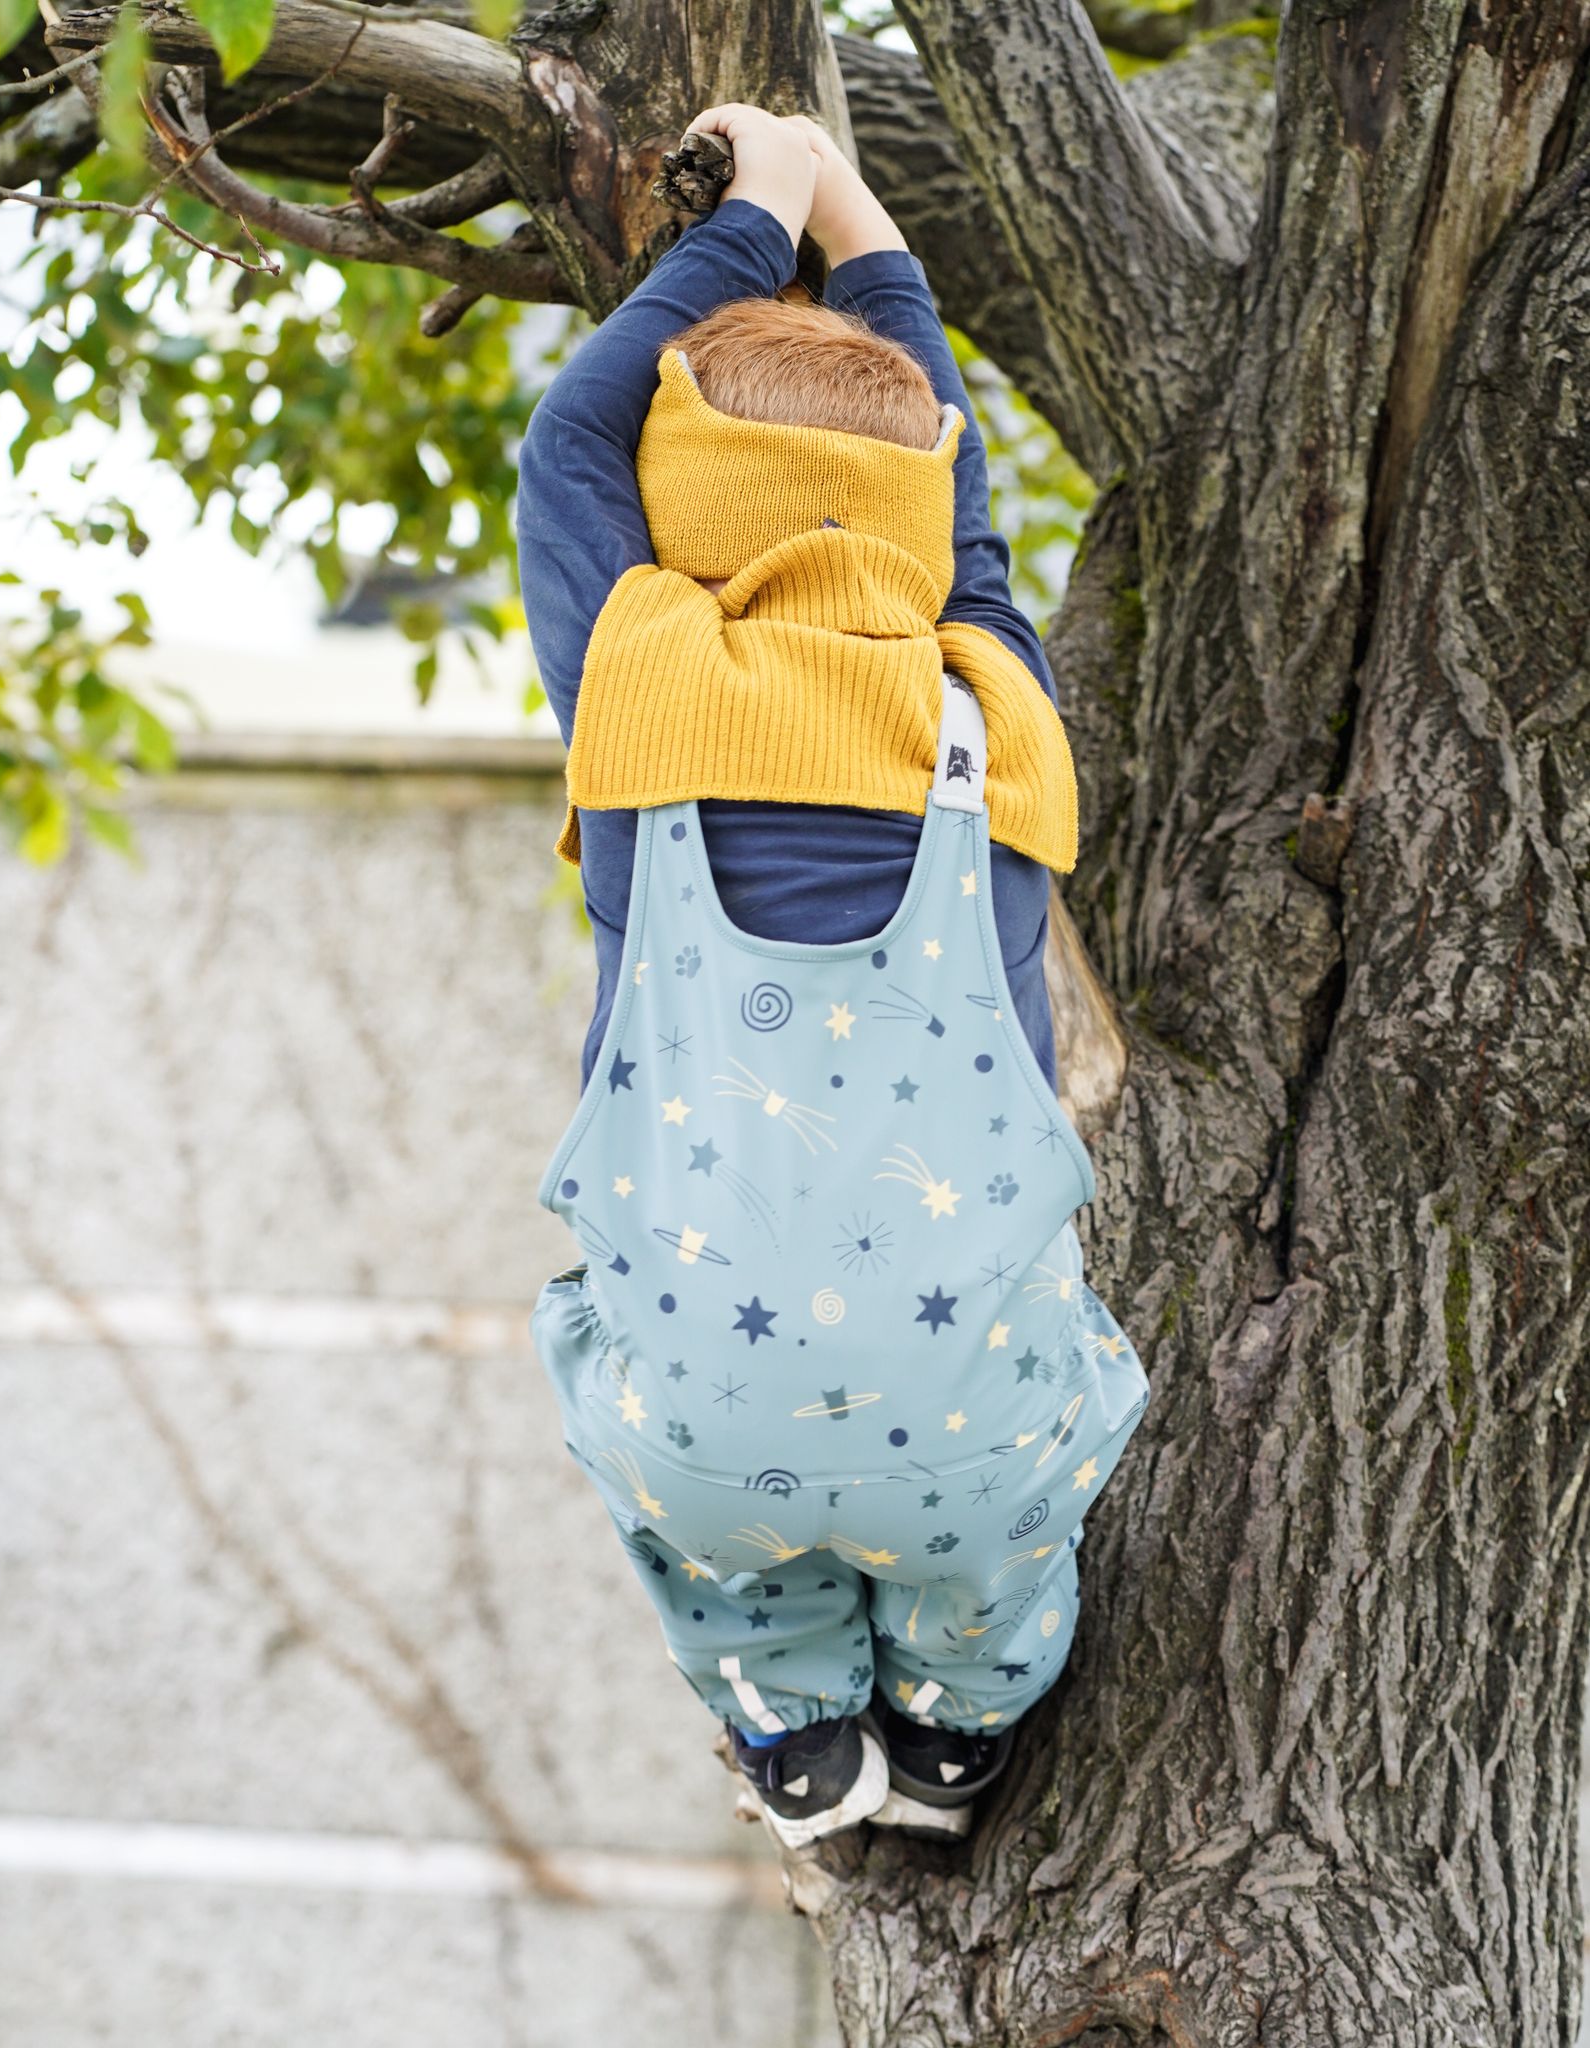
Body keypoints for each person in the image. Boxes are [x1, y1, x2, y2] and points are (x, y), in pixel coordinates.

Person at [517, 105, 1147, 1847]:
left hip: (702, 1414)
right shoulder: (991, 714)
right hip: (969, 1436)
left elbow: (568, 442)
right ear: (908, 519)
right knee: (1012, 1483)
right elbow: (969, 536)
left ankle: (793, 1730)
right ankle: (960, 1724)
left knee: (660, 1438)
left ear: (686, 515)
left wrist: (766, 207)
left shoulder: (639, 710)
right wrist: (866, 232)